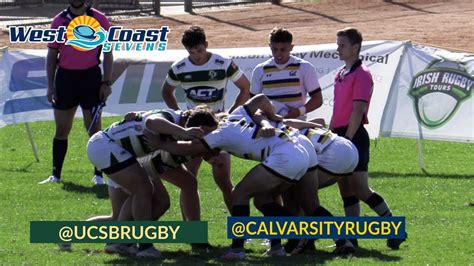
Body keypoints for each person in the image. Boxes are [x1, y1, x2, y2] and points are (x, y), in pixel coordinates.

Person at [150, 94, 355, 259]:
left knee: (240, 193)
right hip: (302, 147)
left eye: (195, 132)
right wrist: (272, 116)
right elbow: (260, 99)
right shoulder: (235, 115)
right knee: (271, 199)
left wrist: (160, 145)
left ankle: (238, 250)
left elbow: (190, 147)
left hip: (286, 154)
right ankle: (335, 240)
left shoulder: (216, 134)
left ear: (202, 129)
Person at [86, 108, 204, 257]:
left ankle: (125, 241)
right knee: (142, 191)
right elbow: (151, 121)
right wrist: (184, 132)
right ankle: (141, 245)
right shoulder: (171, 118)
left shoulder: (176, 121)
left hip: (125, 154)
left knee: (160, 201)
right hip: (110, 148)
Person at [331, 27, 406, 249]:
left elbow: (358, 109)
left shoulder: (362, 74)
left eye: (343, 45)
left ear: (356, 47)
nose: (338, 48)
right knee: (344, 187)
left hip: (353, 135)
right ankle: (352, 239)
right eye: (338, 44)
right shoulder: (340, 73)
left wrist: (348, 138)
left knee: (360, 188)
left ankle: (394, 228)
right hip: (339, 134)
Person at [161, 25, 250, 212]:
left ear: (206, 44)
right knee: (188, 182)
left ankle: (239, 232)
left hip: (218, 128)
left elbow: (245, 87)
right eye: (191, 52)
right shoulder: (179, 67)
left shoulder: (224, 63)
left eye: (199, 50)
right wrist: (181, 116)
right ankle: (191, 234)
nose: (196, 55)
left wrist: (231, 114)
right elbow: (166, 91)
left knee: (224, 181)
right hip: (192, 131)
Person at [39, 0, 113, 185]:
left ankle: (99, 176)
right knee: (62, 129)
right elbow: (51, 54)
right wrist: (50, 85)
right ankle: (56, 175)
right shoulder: (58, 21)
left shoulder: (99, 18)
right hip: (65, 80)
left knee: (94, 130)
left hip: (91, 79)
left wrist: (106, 82)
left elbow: (108, 52)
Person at [251, 26, 322, 120]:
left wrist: (299, 111)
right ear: (270, 46)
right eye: (275, 49)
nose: (278, 53)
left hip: (296, 122)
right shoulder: (260, 70)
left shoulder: (304, 67)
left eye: (283, 49)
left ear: (291, 47)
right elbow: (253, 102)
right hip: (269, 122)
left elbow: (317, 99)